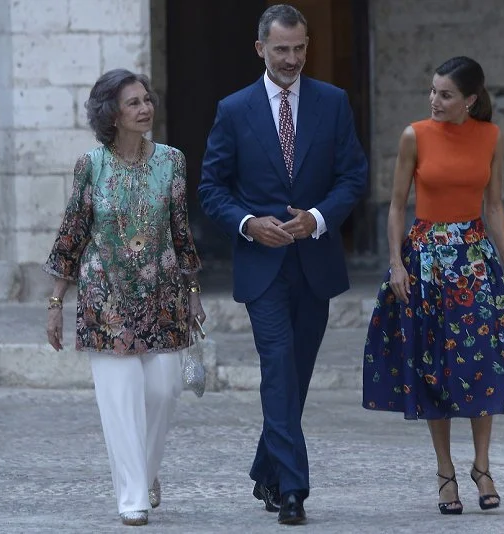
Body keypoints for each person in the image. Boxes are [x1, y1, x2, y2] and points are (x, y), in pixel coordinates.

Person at [198, 4, 367, 525]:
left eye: (299, 48)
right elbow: (211, 187)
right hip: (261, 265)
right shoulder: (234, 109)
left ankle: (265, 470)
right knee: (278, 367)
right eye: (281, 50)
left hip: (314, 262)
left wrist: (317, 217)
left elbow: (353, 177)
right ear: (260, 49)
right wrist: (249, 224)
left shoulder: (333, 102)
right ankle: (293, 489)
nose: (292, 59)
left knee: (297, 374)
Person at [43, 69, 205, 526]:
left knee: (164, 388)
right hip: (105, 299)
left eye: (146, 99)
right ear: (111, 114)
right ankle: (132, 495)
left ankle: (145, 473)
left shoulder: (171, 161)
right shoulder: (90, 165)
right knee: (121, 399)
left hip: (162, 295)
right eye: (133, 102)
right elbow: (73, 233)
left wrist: (193, 292)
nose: (145, 108)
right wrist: (56, 302)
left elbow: (179, 230)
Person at [362, 56, 504, 515]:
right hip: (426, 262)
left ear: (470, 100)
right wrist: (396, 264)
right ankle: (445, 472)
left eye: (446, 94)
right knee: (433, 365)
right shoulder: (415, 135)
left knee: (485, 361)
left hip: (475, 260)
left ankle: (483, 466)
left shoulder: (491, 136)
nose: (435, 100)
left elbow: (494, 205)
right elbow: (396, 207)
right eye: (432, 91)